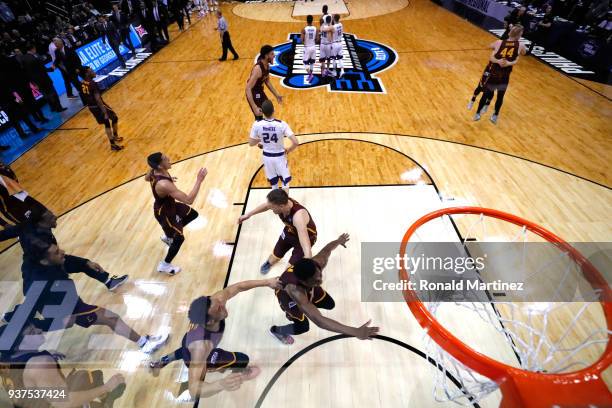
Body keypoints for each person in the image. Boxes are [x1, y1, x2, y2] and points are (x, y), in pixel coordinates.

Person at [21, 241, 170, 354]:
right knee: (111, 318)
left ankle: (144, 342)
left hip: (71, 302)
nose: (63, 252)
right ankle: (144, 345)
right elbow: (29, 310)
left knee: (112, 318)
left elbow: (68, 261)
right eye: (56, 252)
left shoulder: (45, 262)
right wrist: (56, 322)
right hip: (68, 311)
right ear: (43, 261)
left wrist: (86, 263)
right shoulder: (37, 284)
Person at [149, 278, 279, 399]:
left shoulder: (215, 301)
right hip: (199, 353)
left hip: (188, 342)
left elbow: (239, 287)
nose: (223, 306)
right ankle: (241, 372)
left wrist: (267, 282)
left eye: (220, 303)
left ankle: (161, 361)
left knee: (184, 350)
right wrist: (220, 384)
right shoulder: (201, 347)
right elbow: (193, 389)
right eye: (219, 308)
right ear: (210, 322)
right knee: (242, 358)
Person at [270, 233, 380, 345]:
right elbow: (319, 321)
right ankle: (276, 331)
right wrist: (355, 331)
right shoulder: (295, 291)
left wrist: (338, 240)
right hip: (287, 297)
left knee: (329, 303)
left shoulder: (319, 262)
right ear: (303, 282)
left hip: (305, 289)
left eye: (319, 275)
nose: (320, 280)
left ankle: (309, 305)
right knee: (303, 326)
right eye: (315, 280)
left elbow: (327, 249)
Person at [0, 321, 128, 407]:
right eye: (32, 332)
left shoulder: (4, 359)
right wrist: (107, 387)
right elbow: (63, 402)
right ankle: (103, 397)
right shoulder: (40, 364)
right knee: (87, 379)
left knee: (86, 376)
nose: (39, 330)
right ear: (18, 345)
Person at [0, 207, 129, 291]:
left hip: (49, 263)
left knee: (84, 264)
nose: (55, 216)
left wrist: (84, 262)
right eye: (51, 217)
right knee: (38, 302)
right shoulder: (38, 242)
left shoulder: (31, 225)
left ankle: (109, 282)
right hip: (38, 272)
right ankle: (12, 316)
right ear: (41, 222)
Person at [145, 152, 206, 275]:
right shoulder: (163, 184)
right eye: (165, 159)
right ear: (160, 166)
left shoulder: (155, 170)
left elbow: (147, 178)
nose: (168, 158)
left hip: (169, 205)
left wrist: (168, 180)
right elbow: (189, 200)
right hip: (165, 213)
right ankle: (165, 265)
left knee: (193, 214)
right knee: (179, 239)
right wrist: (199, 180)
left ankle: (169, 236)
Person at [238, 189, 316, 274]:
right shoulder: (282, 201)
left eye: (272, 208)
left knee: (289, 270)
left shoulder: (298, 217)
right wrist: (249, 214)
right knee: (277, 252)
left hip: (306, 237)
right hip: (290, 230)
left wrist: (308, 260)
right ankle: (269, 263)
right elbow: (266, 205)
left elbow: (305, 244)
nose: (271, 209)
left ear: (281, 206)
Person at [473, 25, 527, 124]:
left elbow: (489, 46)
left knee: (486, 94)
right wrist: (512, 60)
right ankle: (495, 115)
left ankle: (477, 113)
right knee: (500, 96)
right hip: (505, 75)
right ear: (519, 35)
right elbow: (524, 53)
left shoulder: (499, 42)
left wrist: (497, 56)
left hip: (494, 73)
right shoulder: (521, 45)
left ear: (510, 32)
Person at [248, 100, 299, 190]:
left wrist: (262, 139)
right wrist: (289, 150)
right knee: (285, 183)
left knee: (274, 184)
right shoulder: (281, 124)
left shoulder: (257, 124)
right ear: (274, 110)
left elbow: (251, 143)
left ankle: (275, 203)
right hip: (280, 157)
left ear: (262, 112)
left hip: (267, 158)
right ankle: (284, 203)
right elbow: (295, 142)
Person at [80, 66, 124, 151]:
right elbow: (98, 99)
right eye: (91, 71)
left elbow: (84, 96)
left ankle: (114, 140)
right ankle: (114, 141)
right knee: (113, 118)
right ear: (87, 74)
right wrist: (104, 111)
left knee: (107, 122)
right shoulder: (92, 83)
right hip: (99, 106)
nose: (93, 71)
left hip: (91, 107)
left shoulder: (83, 83)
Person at [21, 44, 66, 112]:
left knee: (46, 95)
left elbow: (26, 73)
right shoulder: (34, 58)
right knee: (53, 93)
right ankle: (59, 108)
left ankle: (53, 108)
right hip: (44, 80)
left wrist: (33, 83)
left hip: (37, 82)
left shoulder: (23, 58)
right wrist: (51, 69)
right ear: (33, 48)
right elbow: (42, 69)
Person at [0, 160, 47, 225]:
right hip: (15, 204)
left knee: (43, 216)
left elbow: (15, 181)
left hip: (20, 198)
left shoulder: (5, 169)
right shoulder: (5, 169)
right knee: (31, 224)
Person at [245, 45, 283, 120]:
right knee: (260, 116)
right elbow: (248, 88)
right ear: (266, 56)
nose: (274, 55)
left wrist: (276, 95)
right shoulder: (258, 69)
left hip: (260, 91)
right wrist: (254, 107)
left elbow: (267, 81)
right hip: (253, 93)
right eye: (272, 54)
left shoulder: (267, 66)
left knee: (269, 111)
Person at [301, 15, 317, 84]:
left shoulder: (304, 29)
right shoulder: (315, 28)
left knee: (305, 63)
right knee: (312, 62)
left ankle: (310, 75)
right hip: (313, 46)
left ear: (307, 20)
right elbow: (317, 38)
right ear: (312, 20)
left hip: (307, 47)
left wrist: (303, 41)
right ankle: (310, 75)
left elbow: (302, 39)